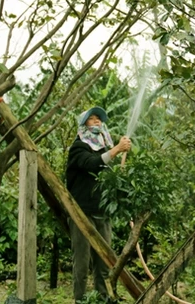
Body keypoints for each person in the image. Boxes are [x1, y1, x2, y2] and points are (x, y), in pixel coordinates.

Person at [65, 106, 132, 302]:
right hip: (81, 212)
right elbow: (93, 163)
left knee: (105, 261)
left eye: (98, 119)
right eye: (91, 119)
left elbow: (108, 169)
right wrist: (117, 149)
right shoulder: (79, 147)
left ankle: (103, 298)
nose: (96, 121)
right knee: (82, 262)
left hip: (102, 211)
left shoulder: (104, 146)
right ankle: (80, 300)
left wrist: (120, 154)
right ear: (83, 124)